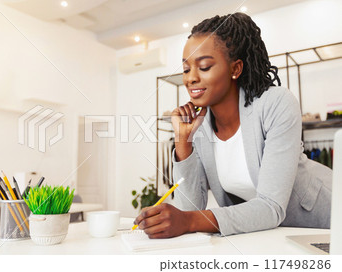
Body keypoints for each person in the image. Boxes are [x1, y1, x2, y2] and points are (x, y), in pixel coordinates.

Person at [133, 12, 332, 238]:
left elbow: (270, 207)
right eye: (186, 69)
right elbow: (189, 210)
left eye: (204, 66)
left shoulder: (276, 103)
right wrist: (183, 143)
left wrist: (188, 220)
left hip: (325, 218)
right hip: (272, 235)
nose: (190, 78)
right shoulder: (199, 126)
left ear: (235, 69)